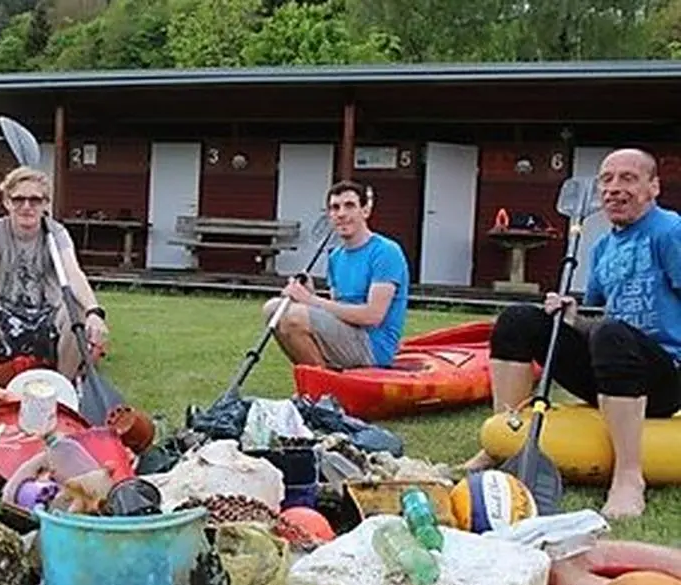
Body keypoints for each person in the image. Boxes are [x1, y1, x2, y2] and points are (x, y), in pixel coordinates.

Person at [463, 148, 681, 520]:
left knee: (611, 334)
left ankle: (629, 476)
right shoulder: (602, 248)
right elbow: (596, 316)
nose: (614, 188)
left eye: (628, 178)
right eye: (607, 179)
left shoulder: (671, 231)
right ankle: (506, 439)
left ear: (653, 187)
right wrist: (571, 317)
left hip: (665, 375)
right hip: (612, 365)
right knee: (518, 320)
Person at [0, 165, 109, 385]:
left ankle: (62, 389)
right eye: (18, 199)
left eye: (35, 200)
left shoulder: (57, 233)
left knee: (78, 311)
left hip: (47, 320)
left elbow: (74, 274)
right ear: (7, 202)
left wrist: (94, 311)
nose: (26, 207)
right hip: (4, 320)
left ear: (46, 204)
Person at [261, 180, 410, 370]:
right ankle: (320, 384)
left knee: (293, 317)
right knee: (273, 308)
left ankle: (321, 390)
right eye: (335, 208)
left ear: (365, 211)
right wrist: (310, 295)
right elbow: (339, 309)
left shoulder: (386, 251)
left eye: (349, 206)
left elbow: (372, 316)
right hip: (348, 335)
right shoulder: (336, 257)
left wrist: (311, 300)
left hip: (373, 346)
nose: (341, 214)